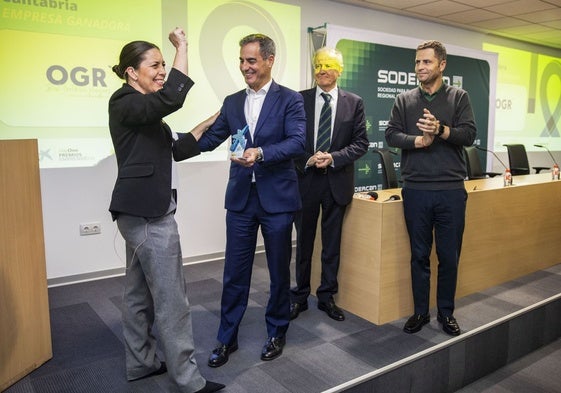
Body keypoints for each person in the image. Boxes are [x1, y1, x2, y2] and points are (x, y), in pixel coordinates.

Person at [108, 27, 224, 393]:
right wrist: (183, 48)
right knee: (173, 300)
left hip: (138, 212)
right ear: (132, 71)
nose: (161, 71)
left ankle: (141, 363)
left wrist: (219, 117)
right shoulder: (125, 101)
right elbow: (173, 97)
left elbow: (181, 145)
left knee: (139, 294)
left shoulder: (145, 113)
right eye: (155, 65)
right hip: (148, 216)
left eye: (164, 63)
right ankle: (188, 381)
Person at [196, 33, 306, 367]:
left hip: (277, 200)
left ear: (270, 60)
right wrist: (177, 139)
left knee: (277, 272)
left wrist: (260, 153)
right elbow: (212, 139)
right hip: (242, 201)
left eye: (252, 61)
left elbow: (298, 142)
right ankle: (226, 338)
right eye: (242, 61)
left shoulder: (290, 100)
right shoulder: (231, 102)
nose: (245, 67)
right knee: (234, 273)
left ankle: (276, 331)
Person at [385, 40, 476, 336]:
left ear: (441, 65)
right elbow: (391, 135)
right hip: (416, 190)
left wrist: (440, 130)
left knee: (449, 256)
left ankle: (446, 313)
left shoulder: (459, 97)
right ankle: (420, 312)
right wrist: (417, 141)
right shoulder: (404, 99)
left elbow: (469, 135)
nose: (421, 68)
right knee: (419, 256)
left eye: (427, 62)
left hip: (450, 190)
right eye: (418, 63)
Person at [289, 47, 368, 322]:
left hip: (336, 182)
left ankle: (326, 296)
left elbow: (361, 144)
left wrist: (333, 158)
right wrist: (308, 160)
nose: (322, 70)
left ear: (339, 70)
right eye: (318, 65)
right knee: (304, 243)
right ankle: (299, 295)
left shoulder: (354, 102)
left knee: (331, 244)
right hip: (306, 181)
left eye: (328, 65)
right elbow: (292, 138)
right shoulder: (299, 99)